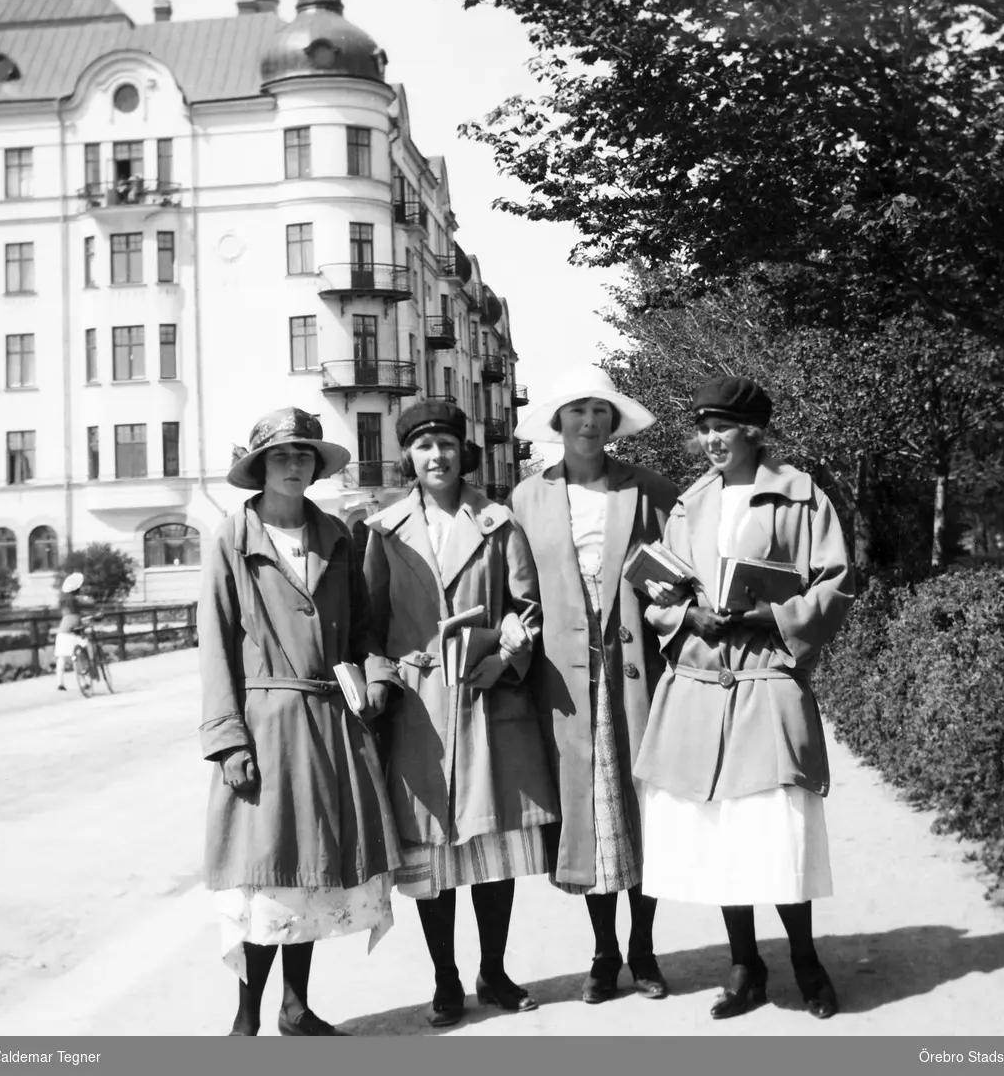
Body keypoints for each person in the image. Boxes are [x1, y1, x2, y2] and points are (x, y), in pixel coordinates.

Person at [634, 376, 854, 1020]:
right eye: (702, 429)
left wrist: (768, 616)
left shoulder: (800, 496)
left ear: (752, 432)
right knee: (721, 831)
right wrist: (682, 619)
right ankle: (744, 965)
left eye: (721, 429)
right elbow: (659, 591)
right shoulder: (689, 503)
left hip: (764, 679)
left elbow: (834, 583)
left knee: (776, 826)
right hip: (701, 683)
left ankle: (806, 962)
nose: (709, 441)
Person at [198, 407, 401, 1037]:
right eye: (282, 455)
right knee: (266, 873)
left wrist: (377, 678)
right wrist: (228, 739)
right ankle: (245, 1019)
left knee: (311, 875)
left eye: (305, 455)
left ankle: (296, 1007)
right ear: (260, 467)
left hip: (332, 720)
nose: (294, 464)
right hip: (268, 723)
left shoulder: (337, 535)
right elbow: (215, 645)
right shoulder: (233, 537)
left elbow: (365, 629)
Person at [363, 400, 559, 1028]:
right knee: (432, 860)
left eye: (446, 444)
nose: (437, 457)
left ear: (461, 452)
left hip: (485, 699)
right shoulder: (383, 532)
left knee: (492, 848)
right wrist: (383, 680)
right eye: (423, 447)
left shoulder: (498, 523)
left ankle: (493, 971)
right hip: (420, 711)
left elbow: (529, 610)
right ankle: (445, 979)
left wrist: (505, 660)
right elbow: (370, 627)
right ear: (409, 459)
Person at [509, 366, 678, 1004]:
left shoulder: (650, 489)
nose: (588, 422)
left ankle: (645, 950)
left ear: (613, 423)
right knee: (589, 819)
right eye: (576, 411)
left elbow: (679, 574)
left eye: (600, 412)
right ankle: (605, 953)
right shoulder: (529, 498)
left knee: (642, 812)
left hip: (638, 674)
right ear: (557, 423)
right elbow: (516, 588)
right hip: (566, 684)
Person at [54, 571, 93, 691]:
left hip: (62, 630)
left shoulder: (62, 601)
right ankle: (83, 682)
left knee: (61, 657)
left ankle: (59, 682)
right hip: (75, 630)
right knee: (79, 656)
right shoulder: (76, 600)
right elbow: (90, 604)